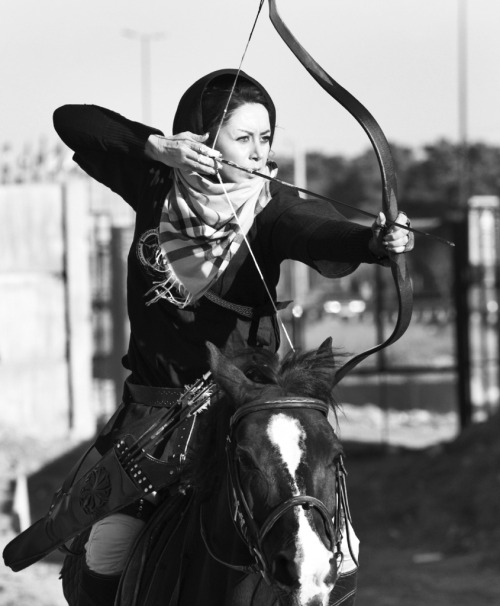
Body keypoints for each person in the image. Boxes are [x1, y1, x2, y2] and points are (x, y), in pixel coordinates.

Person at [51, 68, 412, 604]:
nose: (256, 151)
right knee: (107, 548)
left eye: (264, 138)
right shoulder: (156, 182)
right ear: (199, 138)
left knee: (333, 552)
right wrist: (155, 148)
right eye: (241, 137)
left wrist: (374, 241)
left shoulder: (273, 205)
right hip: (155, 423)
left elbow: (319, 230)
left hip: (244, 417)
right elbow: (72, 122)